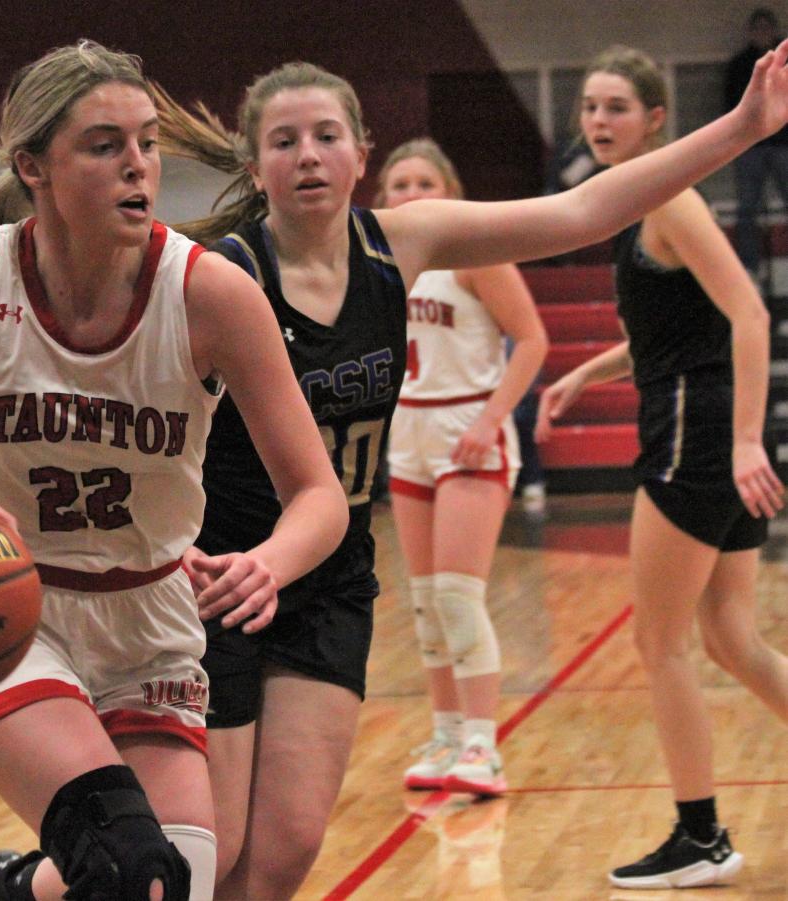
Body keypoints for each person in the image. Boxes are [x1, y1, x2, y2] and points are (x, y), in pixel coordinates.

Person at [152, 40, 788, 898]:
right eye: (285, 140)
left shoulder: (402, 242)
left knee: (286, 851)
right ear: (256, 164)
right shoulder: (221, 273)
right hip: (228, 575)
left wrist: (744, 127)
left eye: (328, 135)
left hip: (332, 575)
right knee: (212, 852)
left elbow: (583, 213)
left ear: (362, 154)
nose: (308, 155)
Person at [0, 41, 349, 901]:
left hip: (151, 613)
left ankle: (8, 890)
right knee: (122, 858)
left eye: (147, 142)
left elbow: (318, 495)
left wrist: (270, 561)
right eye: (104, 145)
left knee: (170, 880)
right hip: (3, 604)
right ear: (33, 166)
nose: (138, 165)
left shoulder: (210, 294)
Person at [537, 45, 787, 890]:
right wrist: (583, 373)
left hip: (698, 435)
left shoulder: (670, 200)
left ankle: (702, 836)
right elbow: (666, 333)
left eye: (616, 107)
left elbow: (748, 314)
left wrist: (749, 439)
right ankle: (702, 832)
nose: (598, 121)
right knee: (730, 637)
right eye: (589, 107)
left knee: (660, 640)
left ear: (655, 121)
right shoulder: (644, 205)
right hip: (709, 426)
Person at [377, 139, 547, 796]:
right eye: (399, 184)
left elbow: (533, 339)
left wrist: (489, 419)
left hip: (469, 427)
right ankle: (446, 732)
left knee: (456, 593)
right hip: (409, 431)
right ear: (381, 199)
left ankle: (483, 742)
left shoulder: (479, 252)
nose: (412, 195)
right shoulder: (379, 266)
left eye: (425, 182)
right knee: (424, 603)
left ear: (449, 190)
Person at [728, 8, 788, 277]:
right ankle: (750, 269)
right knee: (747, 208)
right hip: (751, 146)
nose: (763, 33)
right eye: (758, 28)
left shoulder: (785, 60)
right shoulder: (740, 64)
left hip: (783, 144)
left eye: (767, 28)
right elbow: (732, 107)